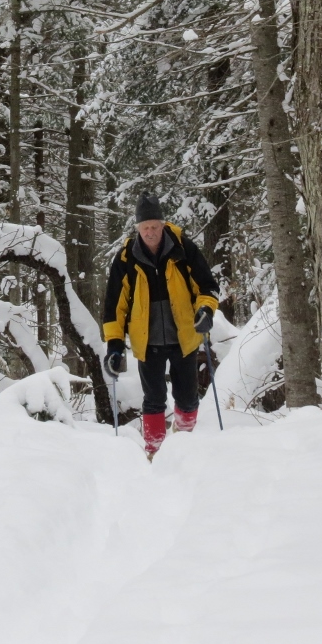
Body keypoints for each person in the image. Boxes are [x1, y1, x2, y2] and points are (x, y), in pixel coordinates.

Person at [102, 192, 220, 458]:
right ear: (137, 228)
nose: (150, 232)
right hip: (148, 343)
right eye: (145, 228)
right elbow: (113, 308)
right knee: (153, 400)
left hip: (185, 339)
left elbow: (208, 287)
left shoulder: (183, 250)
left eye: (155, 226)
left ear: (164, 225)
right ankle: (154, 452)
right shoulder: (125, 259)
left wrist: (205, 311)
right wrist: (115, 346)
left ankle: (183, 444)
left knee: (188, 400)